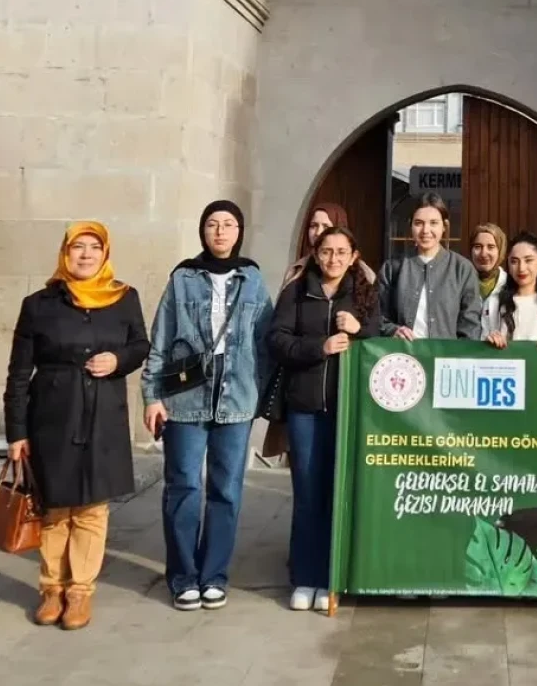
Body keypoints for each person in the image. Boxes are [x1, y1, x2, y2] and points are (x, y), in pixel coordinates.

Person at [3, 222, 149, 631]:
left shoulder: (124, 297)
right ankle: (51, 587)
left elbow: (141, 345)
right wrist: (16, 431)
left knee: (92, 507)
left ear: (105, 254)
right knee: (55, 507)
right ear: (64, 253)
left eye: (94, 247)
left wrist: (118, 361)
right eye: (77, 247)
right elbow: (17, 373)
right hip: (53, 413)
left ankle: (80, 592)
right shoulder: (39, 304)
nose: (85, 255)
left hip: (103, 413)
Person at [142, 201, 275, 613]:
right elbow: (161, 339)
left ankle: (214, 575)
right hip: (186, 399)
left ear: (239, 232)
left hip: (236, 400)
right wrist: (151, 396)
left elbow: (265, 342)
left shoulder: (252, 279)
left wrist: (258, 394)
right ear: (203, 231)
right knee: (183, 485)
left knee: (226, 490)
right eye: (213, 224)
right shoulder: (182, 278)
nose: (221, 231)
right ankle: (183, 576)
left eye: (229, 224)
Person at [272, 224, 381, 611]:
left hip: (348, 410)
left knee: (339, 493)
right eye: (325, 251)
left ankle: (333, 577)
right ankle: (306, 576)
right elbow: (278, 339)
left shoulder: (364, 294)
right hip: (305, 407)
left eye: (341, 252)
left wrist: (361, 330)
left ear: (354, 256)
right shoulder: (297, 292)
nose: (332, 259)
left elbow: (378, 341)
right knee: (307, 493)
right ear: (315, 254)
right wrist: (319, 346)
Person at [378, 193, 482, 340]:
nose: (426, 230)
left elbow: (470, 327)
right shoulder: (393, 268)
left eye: (433, 223)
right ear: (410, 225)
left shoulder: (462, 269)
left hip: (446, 358)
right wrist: (393, 330)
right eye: (419, 223)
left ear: (444, 226)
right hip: (404, 357)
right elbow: (378, 318)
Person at [284, 202, 375, 287]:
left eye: (326, 226)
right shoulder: (296, 270)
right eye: (313, 226)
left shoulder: (364, 274)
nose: (318, 232)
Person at [471, 223, 508, 302]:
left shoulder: (510, 284)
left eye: (491, 247)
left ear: (500, 251)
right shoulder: (460, 283)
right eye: (478, 246)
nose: (483, 254)